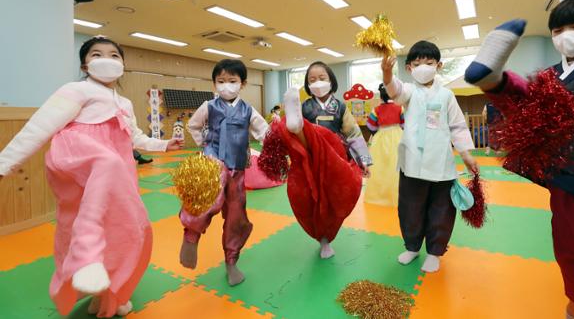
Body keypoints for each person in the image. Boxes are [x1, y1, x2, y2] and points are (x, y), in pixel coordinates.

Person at [464, 0, 574, 319]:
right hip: (564, 168)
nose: (564, 36)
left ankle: (495, 79)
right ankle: (495, 80)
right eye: (557, 30)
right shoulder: (552, 72)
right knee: (572, 231)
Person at [0, 36, 183, 317]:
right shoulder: (76, 90)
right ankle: (84, 261)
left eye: (114, 56)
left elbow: (133, 136)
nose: (107, 60)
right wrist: (4, 164)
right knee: (97, 180)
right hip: (80, 161)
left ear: (122, 64)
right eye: (97, 54)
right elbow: (38, 128)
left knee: (127, 229)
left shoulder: (123, 102)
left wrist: (162, 144)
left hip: (117, 177)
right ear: (85, 64)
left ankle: (110, 293)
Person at [382, 41, 478, 273]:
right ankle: (413, 247)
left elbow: (457, 127)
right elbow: (395, 91)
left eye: (429, 62)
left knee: (441, 209)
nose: (423, 67)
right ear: (409, 68)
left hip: (441, 164)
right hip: (412, 162)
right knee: (410, 208)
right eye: (417, 63)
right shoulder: (409, 91)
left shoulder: (446, 95)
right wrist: (386, 73)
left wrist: (466, 154)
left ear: (439, 65)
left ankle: (435, 251)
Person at [179, 59, 268, 286]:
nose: (226, 85)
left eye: (232, 81)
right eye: (221, 81)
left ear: (242, 83)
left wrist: (276, 141)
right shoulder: (209, 106)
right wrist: (203, 144)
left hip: (237, 168)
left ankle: (231, 261)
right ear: (214, 84)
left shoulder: (248, 110)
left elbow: (263, 131)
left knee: (236, 216)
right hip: (213, 162)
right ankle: (191, 236)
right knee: (206, 199)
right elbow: (194, 125)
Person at [277, 61, 372, 259]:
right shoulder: (306, 107)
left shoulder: (340, 107)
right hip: (311, 160)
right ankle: (323, 239)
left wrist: (364, 159)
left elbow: (353, 132)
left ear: (331, 81)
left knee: (335, 200)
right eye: (312, 80)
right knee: (313, 201)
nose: (318, 83)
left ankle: (329, 234)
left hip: (335, 160)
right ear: (307, 85)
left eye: (322, 78)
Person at [363, 83, 404, 206]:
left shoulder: (376, 110)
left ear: (380, 96)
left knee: (380, 166)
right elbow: (404, 123)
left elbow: (371, 126)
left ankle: (380, 195)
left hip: (380, 138)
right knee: (396, 166)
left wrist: (378, 131)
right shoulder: (400, 107)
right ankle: (398, 195)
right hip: (398, 136)